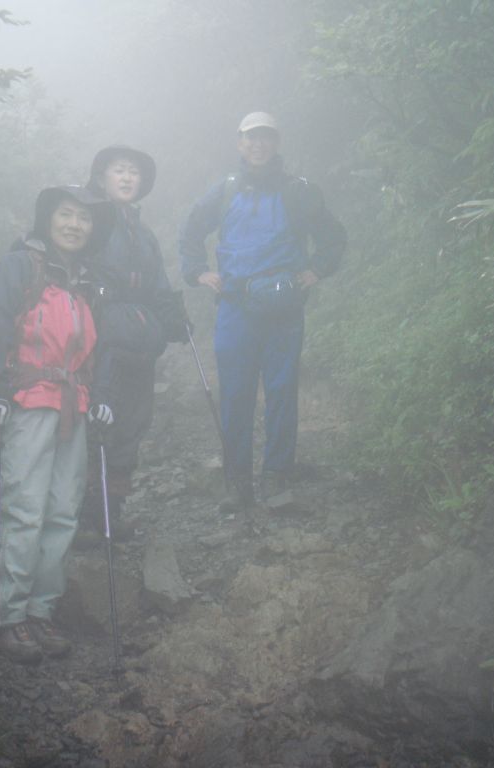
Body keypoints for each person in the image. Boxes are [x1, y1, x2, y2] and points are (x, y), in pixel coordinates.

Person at [179, 111, 346, 510]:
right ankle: (238, 484)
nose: (259, 145)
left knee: (282, 392)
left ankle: (276, 478)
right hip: (235, 307)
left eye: (266, 137)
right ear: (240, 143)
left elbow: (333, 236)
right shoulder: (224, 191)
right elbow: (190, 231)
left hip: (284, 308)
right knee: (235, 395)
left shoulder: (298, 191)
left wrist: (316, 270)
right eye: (252, 138)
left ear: (277, 143)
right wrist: (199, 272)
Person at [0, 185, 115, 663]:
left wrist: (99, 397)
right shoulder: (20, 266)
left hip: (73, 405)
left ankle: (41, 611)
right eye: (66, 215)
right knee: (25, 507)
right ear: (48, 219)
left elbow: (98, 350)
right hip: (28, 401)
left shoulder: (87, 282)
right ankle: (9, 616)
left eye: (84, 218)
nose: (75, 224)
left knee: (61, 511)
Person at [79, 145, 188, 539]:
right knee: (97, 422)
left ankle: (112, 511)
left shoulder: (142, 233)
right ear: (101, 177)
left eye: (133, 173)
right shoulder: (88, 220)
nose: (127, 178)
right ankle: (87, 516)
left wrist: (174, 318)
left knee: (132, 424)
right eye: (119, 170)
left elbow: (157, 282)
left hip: (140, 344)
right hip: (101, 342)